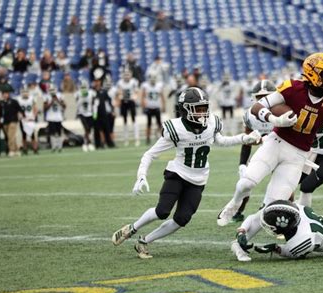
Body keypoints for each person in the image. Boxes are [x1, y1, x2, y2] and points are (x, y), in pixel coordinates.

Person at [217, 52, 323, 226]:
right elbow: (258, 106)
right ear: (313, 73)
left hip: (299, 155)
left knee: (272, 206)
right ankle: (234, 203)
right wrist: (274, 120)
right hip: (277, 142)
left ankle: (246, 234)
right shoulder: (292, 87)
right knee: (245, 184)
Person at [111, 87, 261, 259]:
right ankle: (132, 228)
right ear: (185, 109)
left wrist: (243, 138)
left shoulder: (211, 123)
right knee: (162, 211)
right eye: (198, 109)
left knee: (182, 219)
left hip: (198, 179)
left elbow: (221, 141)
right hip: (177, 174)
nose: (202, 113)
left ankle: (144, 241)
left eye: (204, 108)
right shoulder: (175, 128)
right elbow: (150, 154)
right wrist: (141, 175)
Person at [233, 80, 277, 222]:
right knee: (246, 182)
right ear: (254, 98)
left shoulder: (282, 111)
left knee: (282, 184)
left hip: (281, 150)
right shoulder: (250, 115)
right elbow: (248, 140)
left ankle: (282, 211)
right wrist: (242, 163)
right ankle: (238, 210)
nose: (263, 100)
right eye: (260, 97)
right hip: (262, 153)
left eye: (266, 96)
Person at [117, 69, 140, 146]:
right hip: (124, 102)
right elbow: (119, 92)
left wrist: (135, 97)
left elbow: (136, 91)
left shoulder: (134, 81)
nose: (126, 76)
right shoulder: (120, 82)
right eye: (125, 75)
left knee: (134, 119)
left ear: (130, 75)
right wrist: (120, 98)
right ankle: (126, 139)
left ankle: (136, 138)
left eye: (128, 75)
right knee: (125, 120)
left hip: (131, 102)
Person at [0, 89, 24, 157]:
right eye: (4, 94)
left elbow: (20, 109)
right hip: (5, 122)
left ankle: (11, 150)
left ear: (8, 94)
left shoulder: (14, 101)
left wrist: (21, 114)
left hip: (13, 120)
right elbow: (0, 113)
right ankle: (17, 150)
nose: (5, 95)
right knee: (10, 137)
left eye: (6, 93)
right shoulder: (1, 102)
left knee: (10, 136)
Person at [140, 74, 165, 144]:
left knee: (159, 124)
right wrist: (143, 106)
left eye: (154, 78)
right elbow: (143, 96)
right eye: (151, 78)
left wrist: (163, 106)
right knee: (148, 124)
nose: (153, 80)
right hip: (149, 107)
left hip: (156, 107)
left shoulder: (159, 86)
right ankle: (148, 138)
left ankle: (162, 137)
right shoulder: (146, 86)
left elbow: (162, 96)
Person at [92, 75, 115, 149]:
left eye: (98, 81)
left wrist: (112, 110)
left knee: (106, 128)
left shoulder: (103, 91)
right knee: (98, 129)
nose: (97, 83)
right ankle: (99, 143)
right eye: (96, 81)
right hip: (95, 113)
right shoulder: (92, 92)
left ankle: (109, 143)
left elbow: (109, 102)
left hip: (104, 113)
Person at [43, 85, 66, 152]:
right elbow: (44, 108)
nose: (52, 92)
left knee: (59, 132)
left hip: (58, 117)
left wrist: (58, 101)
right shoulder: (46, 96)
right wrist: (51, 102)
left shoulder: (60, 95)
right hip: (50, 117)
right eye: (51, 90)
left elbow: (64, 106)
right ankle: (53, 146)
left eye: (53, 90)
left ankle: (60, 147)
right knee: (52, 133)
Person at [75, 81, 96, 152]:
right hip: (82, 113)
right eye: (82, 87)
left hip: (89, 113)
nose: (84, 89)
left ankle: (88, 143)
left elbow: (93, 103)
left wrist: (94, 113)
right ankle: (85, 144)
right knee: (86, 129)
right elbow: (77, 105)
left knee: (89, 129)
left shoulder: (91, 93)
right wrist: (81, 98)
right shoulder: (78, 93)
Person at [18, 87, 38, 154]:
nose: (25, 93)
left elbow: (35, 108)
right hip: (23, 119)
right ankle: (25, 149)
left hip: (30, 118)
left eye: (26, 92)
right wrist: (21, 117)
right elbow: (18, 110)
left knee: (32, 135)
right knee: (24, 135)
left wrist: (34, 116)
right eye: (23, 92)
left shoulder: (31, 98)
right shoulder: (19, 99)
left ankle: (35, 149)